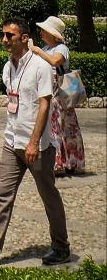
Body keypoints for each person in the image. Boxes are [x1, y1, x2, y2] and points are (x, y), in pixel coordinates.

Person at [0, 17, 70, 267]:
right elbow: (15, 102)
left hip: (38, 145)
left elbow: (44, 104)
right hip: (12, 140)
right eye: (3, 35)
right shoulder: (8, 66)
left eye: (9, 36)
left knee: (49, 196)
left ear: (24, 38)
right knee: (3, 195)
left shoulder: (40, 66)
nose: (4, 40)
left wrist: (33, 142)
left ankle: (61, 247)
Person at [30, 16, 86, 177]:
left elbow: (55, 62)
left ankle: (67, 162)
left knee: (62, 126)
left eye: (44, 30)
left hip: (59, 93)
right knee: (55, 126)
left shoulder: (61, 49)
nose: (41, 33)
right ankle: (59, 162)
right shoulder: (46, 48)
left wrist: (37, 51)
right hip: (50, 90)